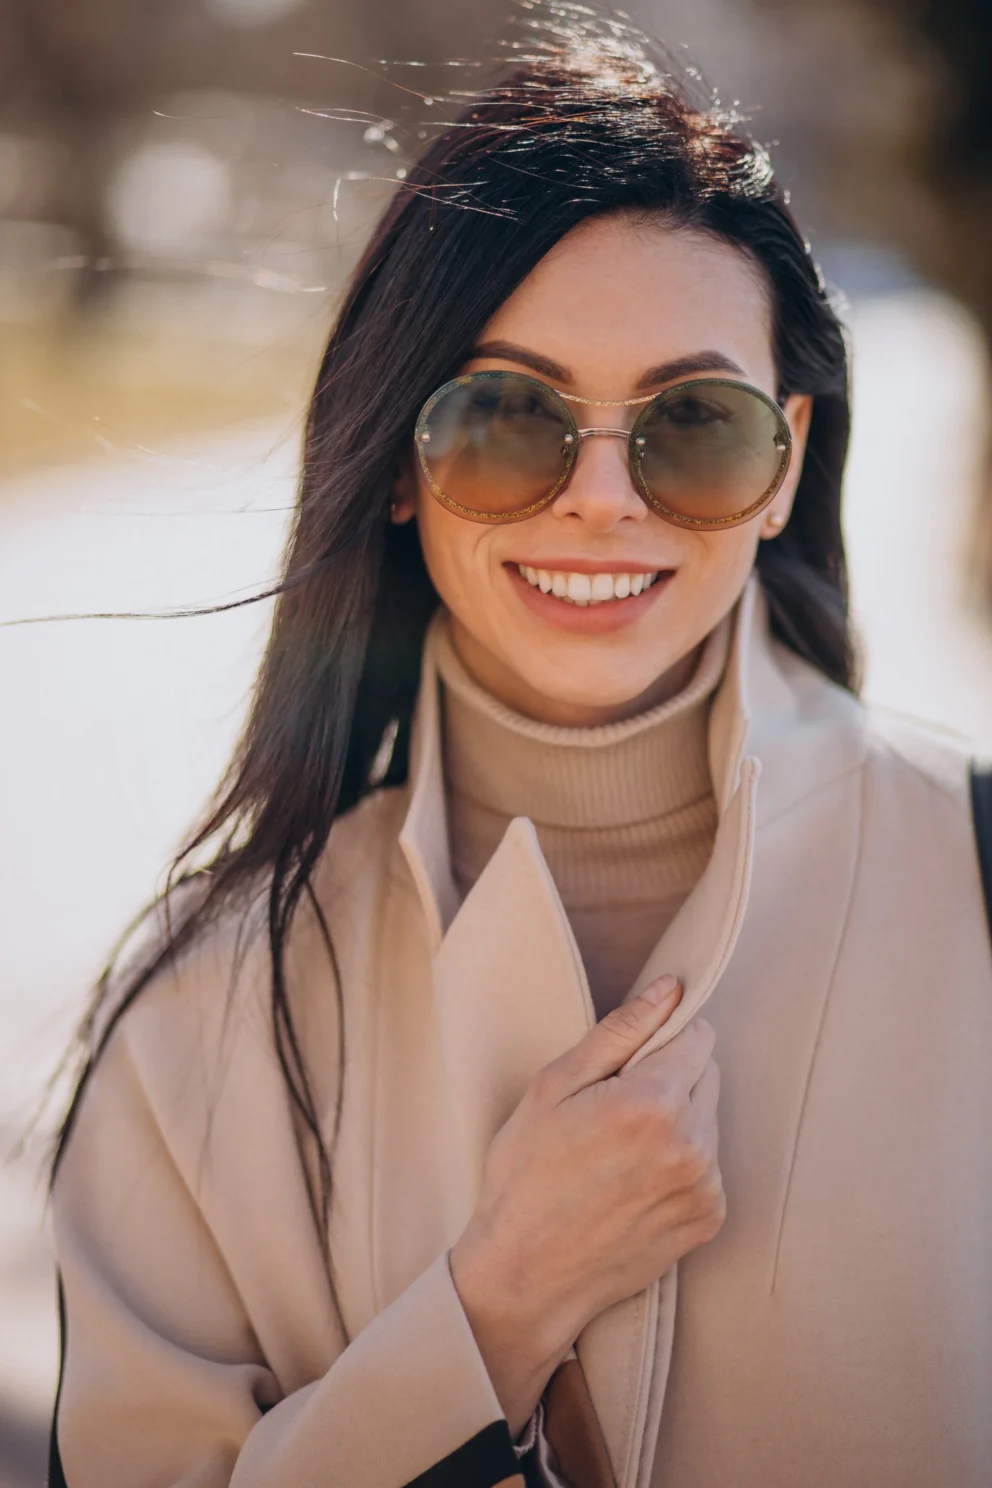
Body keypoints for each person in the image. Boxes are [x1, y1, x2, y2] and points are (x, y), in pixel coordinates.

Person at [48, 11, 992, 1488]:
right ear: (402, 467)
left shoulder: (977, 878)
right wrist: (494, 1311)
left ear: (786, 460)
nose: (601, 500)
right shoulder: (205, 1020)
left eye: (693, 421)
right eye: (507, 416)